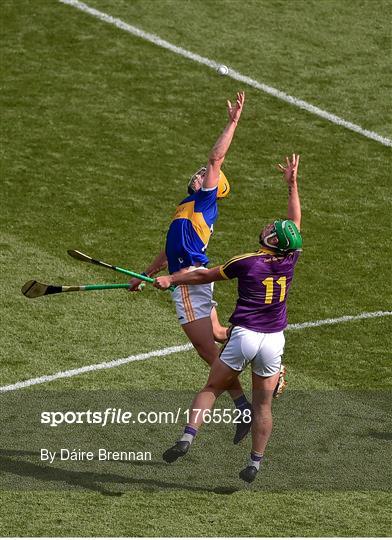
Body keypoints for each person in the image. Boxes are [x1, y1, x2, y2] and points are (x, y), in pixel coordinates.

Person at [154, 154, 302, 483]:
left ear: (272, 240)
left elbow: (205, 275)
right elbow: (295, 225)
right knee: (264, 406)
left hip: (244, 336)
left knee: (211, 386)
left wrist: (172, 279)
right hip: (273, 340)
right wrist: (292, 185)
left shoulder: (246, 263)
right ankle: (255, 463)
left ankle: (187, 437)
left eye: (272, 229)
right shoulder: (289, 261)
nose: (268, 227)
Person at [128, 91, 252, 444]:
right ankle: (260, 351)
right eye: (200, 173)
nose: (199, 174)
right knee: (217, 336)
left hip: (188, 282)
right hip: (191, 277)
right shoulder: (186, 204)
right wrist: (147, 274)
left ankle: (243, 405)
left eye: (205, 175)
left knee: (208, 353)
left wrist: (232, 122)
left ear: (213, 187)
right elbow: (169, 250)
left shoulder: (205, 201)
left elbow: (216, 158)